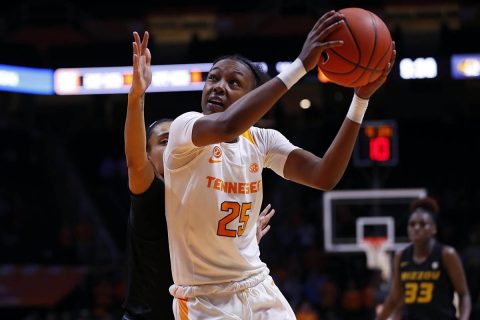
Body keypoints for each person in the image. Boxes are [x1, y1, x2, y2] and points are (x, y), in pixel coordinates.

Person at [152, 9, 395, 319]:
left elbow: (324, 176)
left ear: (254, 99)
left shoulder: (261, 140)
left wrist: (360, 100)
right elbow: (227, 126)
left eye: (233, 82)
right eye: (213, 78)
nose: (218, 86)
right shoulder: (186, 127)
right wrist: (301, 65)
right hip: (205, 299)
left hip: (257, 287)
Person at [122, 37, 275, 319]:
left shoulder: (208, 191)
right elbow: (134, 160)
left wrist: (244, 240)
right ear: (149, 154)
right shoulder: (151, 193)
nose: (172, 147)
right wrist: (136, 95)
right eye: (164, 141)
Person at [376, 196, 471, 320]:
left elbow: (463, 294)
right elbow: (395, 298)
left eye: (422, 224)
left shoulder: (447, 254)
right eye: (412, 224)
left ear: (433, 228)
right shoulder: (401, 256)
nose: (416, 228)